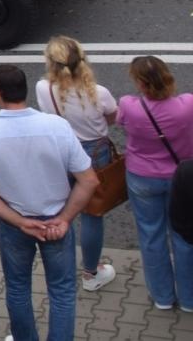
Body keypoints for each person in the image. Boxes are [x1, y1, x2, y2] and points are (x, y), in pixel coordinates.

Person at [0, 64, 98, 341]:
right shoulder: (57, 126)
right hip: (56, 224)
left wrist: (20, 222)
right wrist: (64, 219)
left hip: (15, 225)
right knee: (61, 291)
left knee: (17, 289)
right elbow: (89, 181)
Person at [34, 35, 119, 291]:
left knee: (61, 211)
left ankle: (59, 271)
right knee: (92, 215)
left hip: (62, 152)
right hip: (95, 155)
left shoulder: (43, 88)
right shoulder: (99, 92)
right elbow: (113, 117)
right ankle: (91, 274)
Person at [117, 55, 193, 312]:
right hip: (182, 179)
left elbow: (120, 123)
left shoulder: (129, 105)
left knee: (151, 235)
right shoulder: (188, 104)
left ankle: (162, 297)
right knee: (184, 234)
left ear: (141, 83)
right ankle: (189, 299)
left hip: (142, 177)